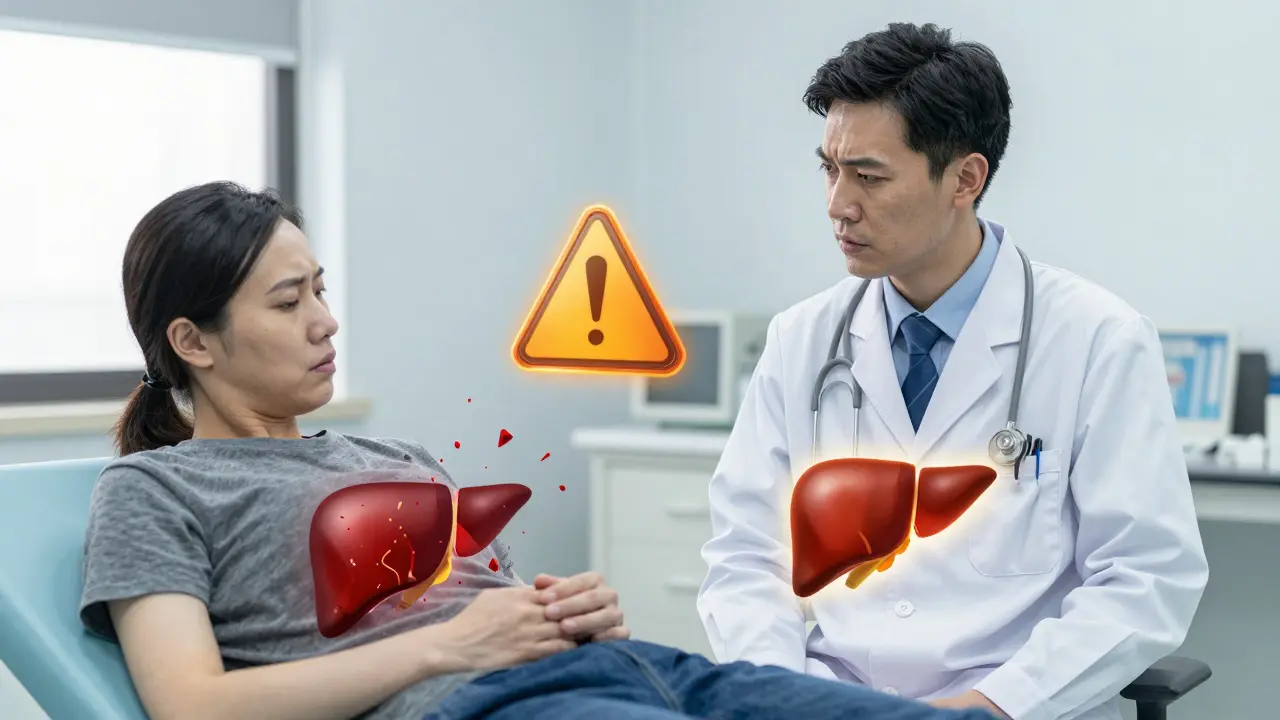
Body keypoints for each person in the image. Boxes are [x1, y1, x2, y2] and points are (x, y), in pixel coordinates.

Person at [79, 180, 1001, 720]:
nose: (326, 322)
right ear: (194, 341)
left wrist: (565, 610)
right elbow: (190, 704)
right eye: (288, 304)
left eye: (319, 289)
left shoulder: (389, 452)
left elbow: (492, 608)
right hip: (486, 709)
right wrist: (449, 651)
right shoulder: (154, 489)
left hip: (635, 670)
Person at [696, 22, 1209, 720]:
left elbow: (1146, 577)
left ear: (965, 178)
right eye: (830, 168)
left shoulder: (1098, 340)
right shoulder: (803, 342)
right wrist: (786, 695)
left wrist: (991, 705)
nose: (837, 205)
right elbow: (746, 560)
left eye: (869, 176)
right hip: (830, 701)